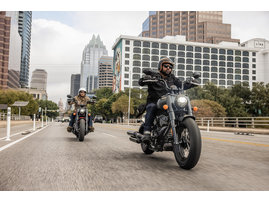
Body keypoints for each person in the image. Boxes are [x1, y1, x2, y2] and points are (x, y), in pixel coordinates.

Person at [138, 57, 197, 141]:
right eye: (166, 66)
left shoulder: (172, 78)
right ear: (160, 67)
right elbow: (140, 82)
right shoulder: (154, 76)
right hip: (156, 101)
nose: (168, 68)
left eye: (170, 67)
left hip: (171, 101)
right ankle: (147, 131)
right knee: (152, 107)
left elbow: (181, 84)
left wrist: (191, 83)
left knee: (181, 108)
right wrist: (145, 79)